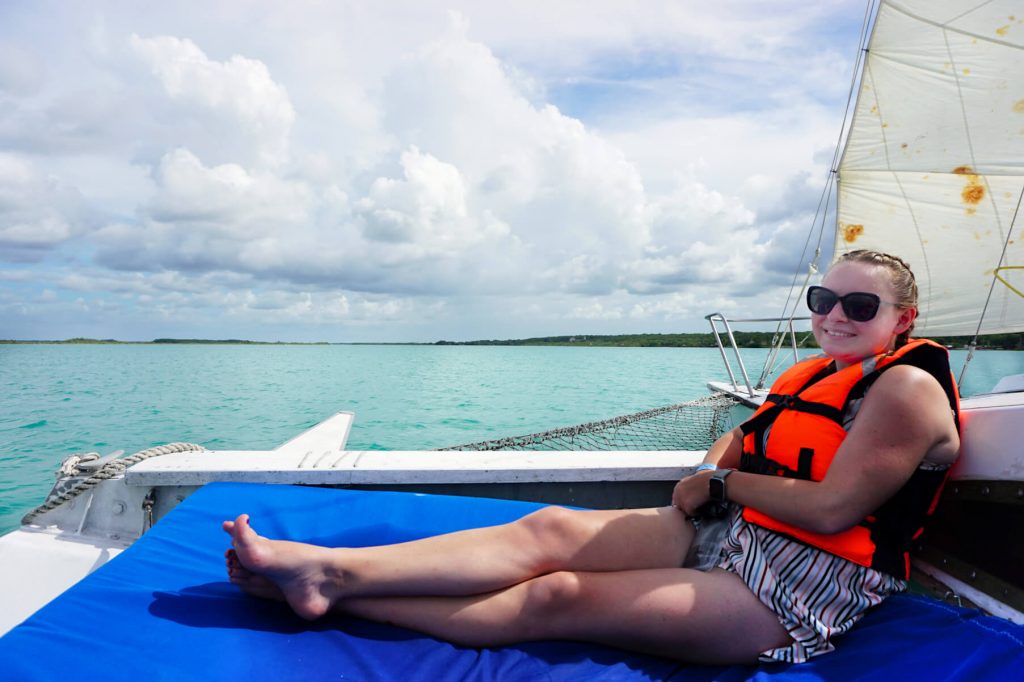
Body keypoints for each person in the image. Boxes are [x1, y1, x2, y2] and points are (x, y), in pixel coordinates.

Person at [223, 250, 960, 664]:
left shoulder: (903, 389)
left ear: (903, 320)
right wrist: (709, 471)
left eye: (859, 308)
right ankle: (328, 570)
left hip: (804, 582)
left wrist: (722, 483)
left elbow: (835, 507)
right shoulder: (819, 372)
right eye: (823, 297)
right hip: (739, 527)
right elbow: (752, 428)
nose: (834, 315)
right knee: (546, 529)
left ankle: (341, 596)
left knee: (559, 595)